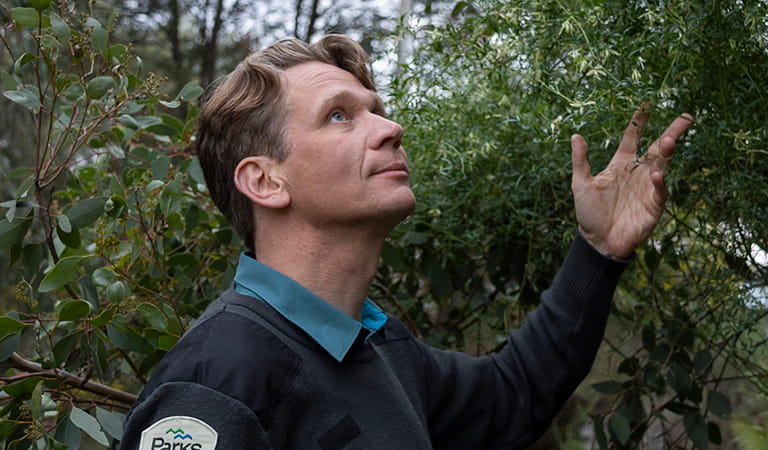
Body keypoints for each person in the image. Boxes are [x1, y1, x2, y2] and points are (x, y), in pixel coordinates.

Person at [120, 34, 693, 449]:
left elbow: (512, 395)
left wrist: (597, 252)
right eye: (340, 117)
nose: (389, 128)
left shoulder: (381, 349)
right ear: (266, 181)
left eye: (377, 111)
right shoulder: (217, 383)